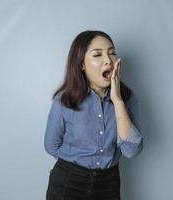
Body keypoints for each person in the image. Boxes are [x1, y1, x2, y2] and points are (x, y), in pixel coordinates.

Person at [44, 30, 143, 200]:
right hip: (68, 182)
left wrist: (117, 100)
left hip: (108, 183)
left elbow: (131, 151)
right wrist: (75, 163)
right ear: (81, 64)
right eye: (97, 55)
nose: (108, 60)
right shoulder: (64, 100)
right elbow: (51, 145)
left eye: (112, 53)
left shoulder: (127, 99)